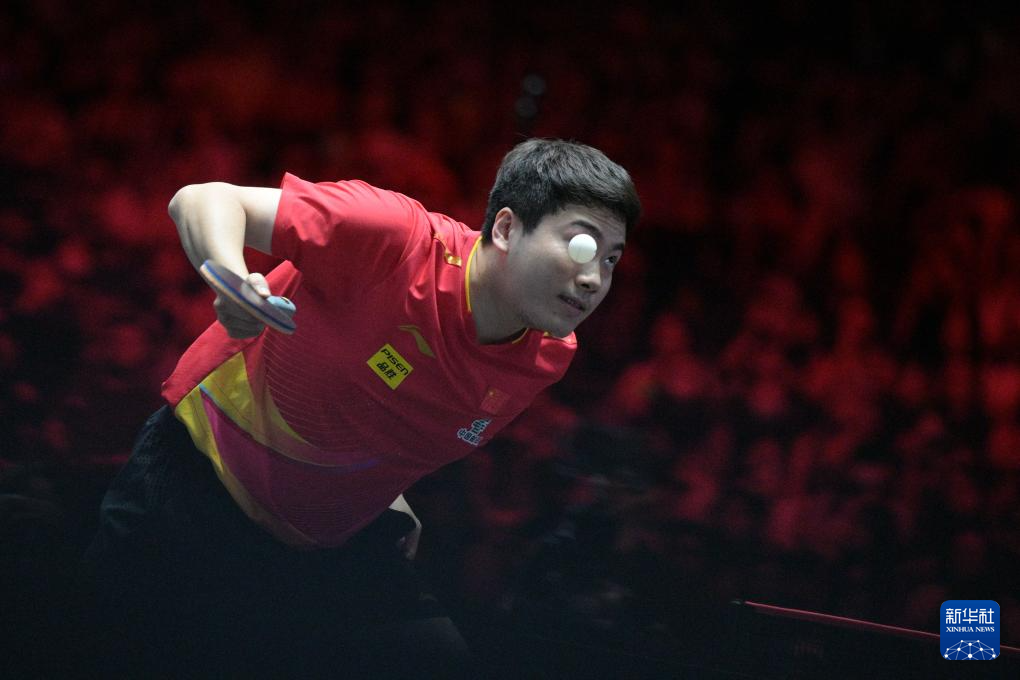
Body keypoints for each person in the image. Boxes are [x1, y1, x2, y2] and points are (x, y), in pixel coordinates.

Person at [78, 138, 640, 678]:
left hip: (328, 552)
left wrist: (383, 490)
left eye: (611, 259)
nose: (594, 278)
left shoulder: (546, 356)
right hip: (190, 497)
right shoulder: (396, 239)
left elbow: (394, 411)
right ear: (507, 228)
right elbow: (203, 199)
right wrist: (230, 280)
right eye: (582, 245)